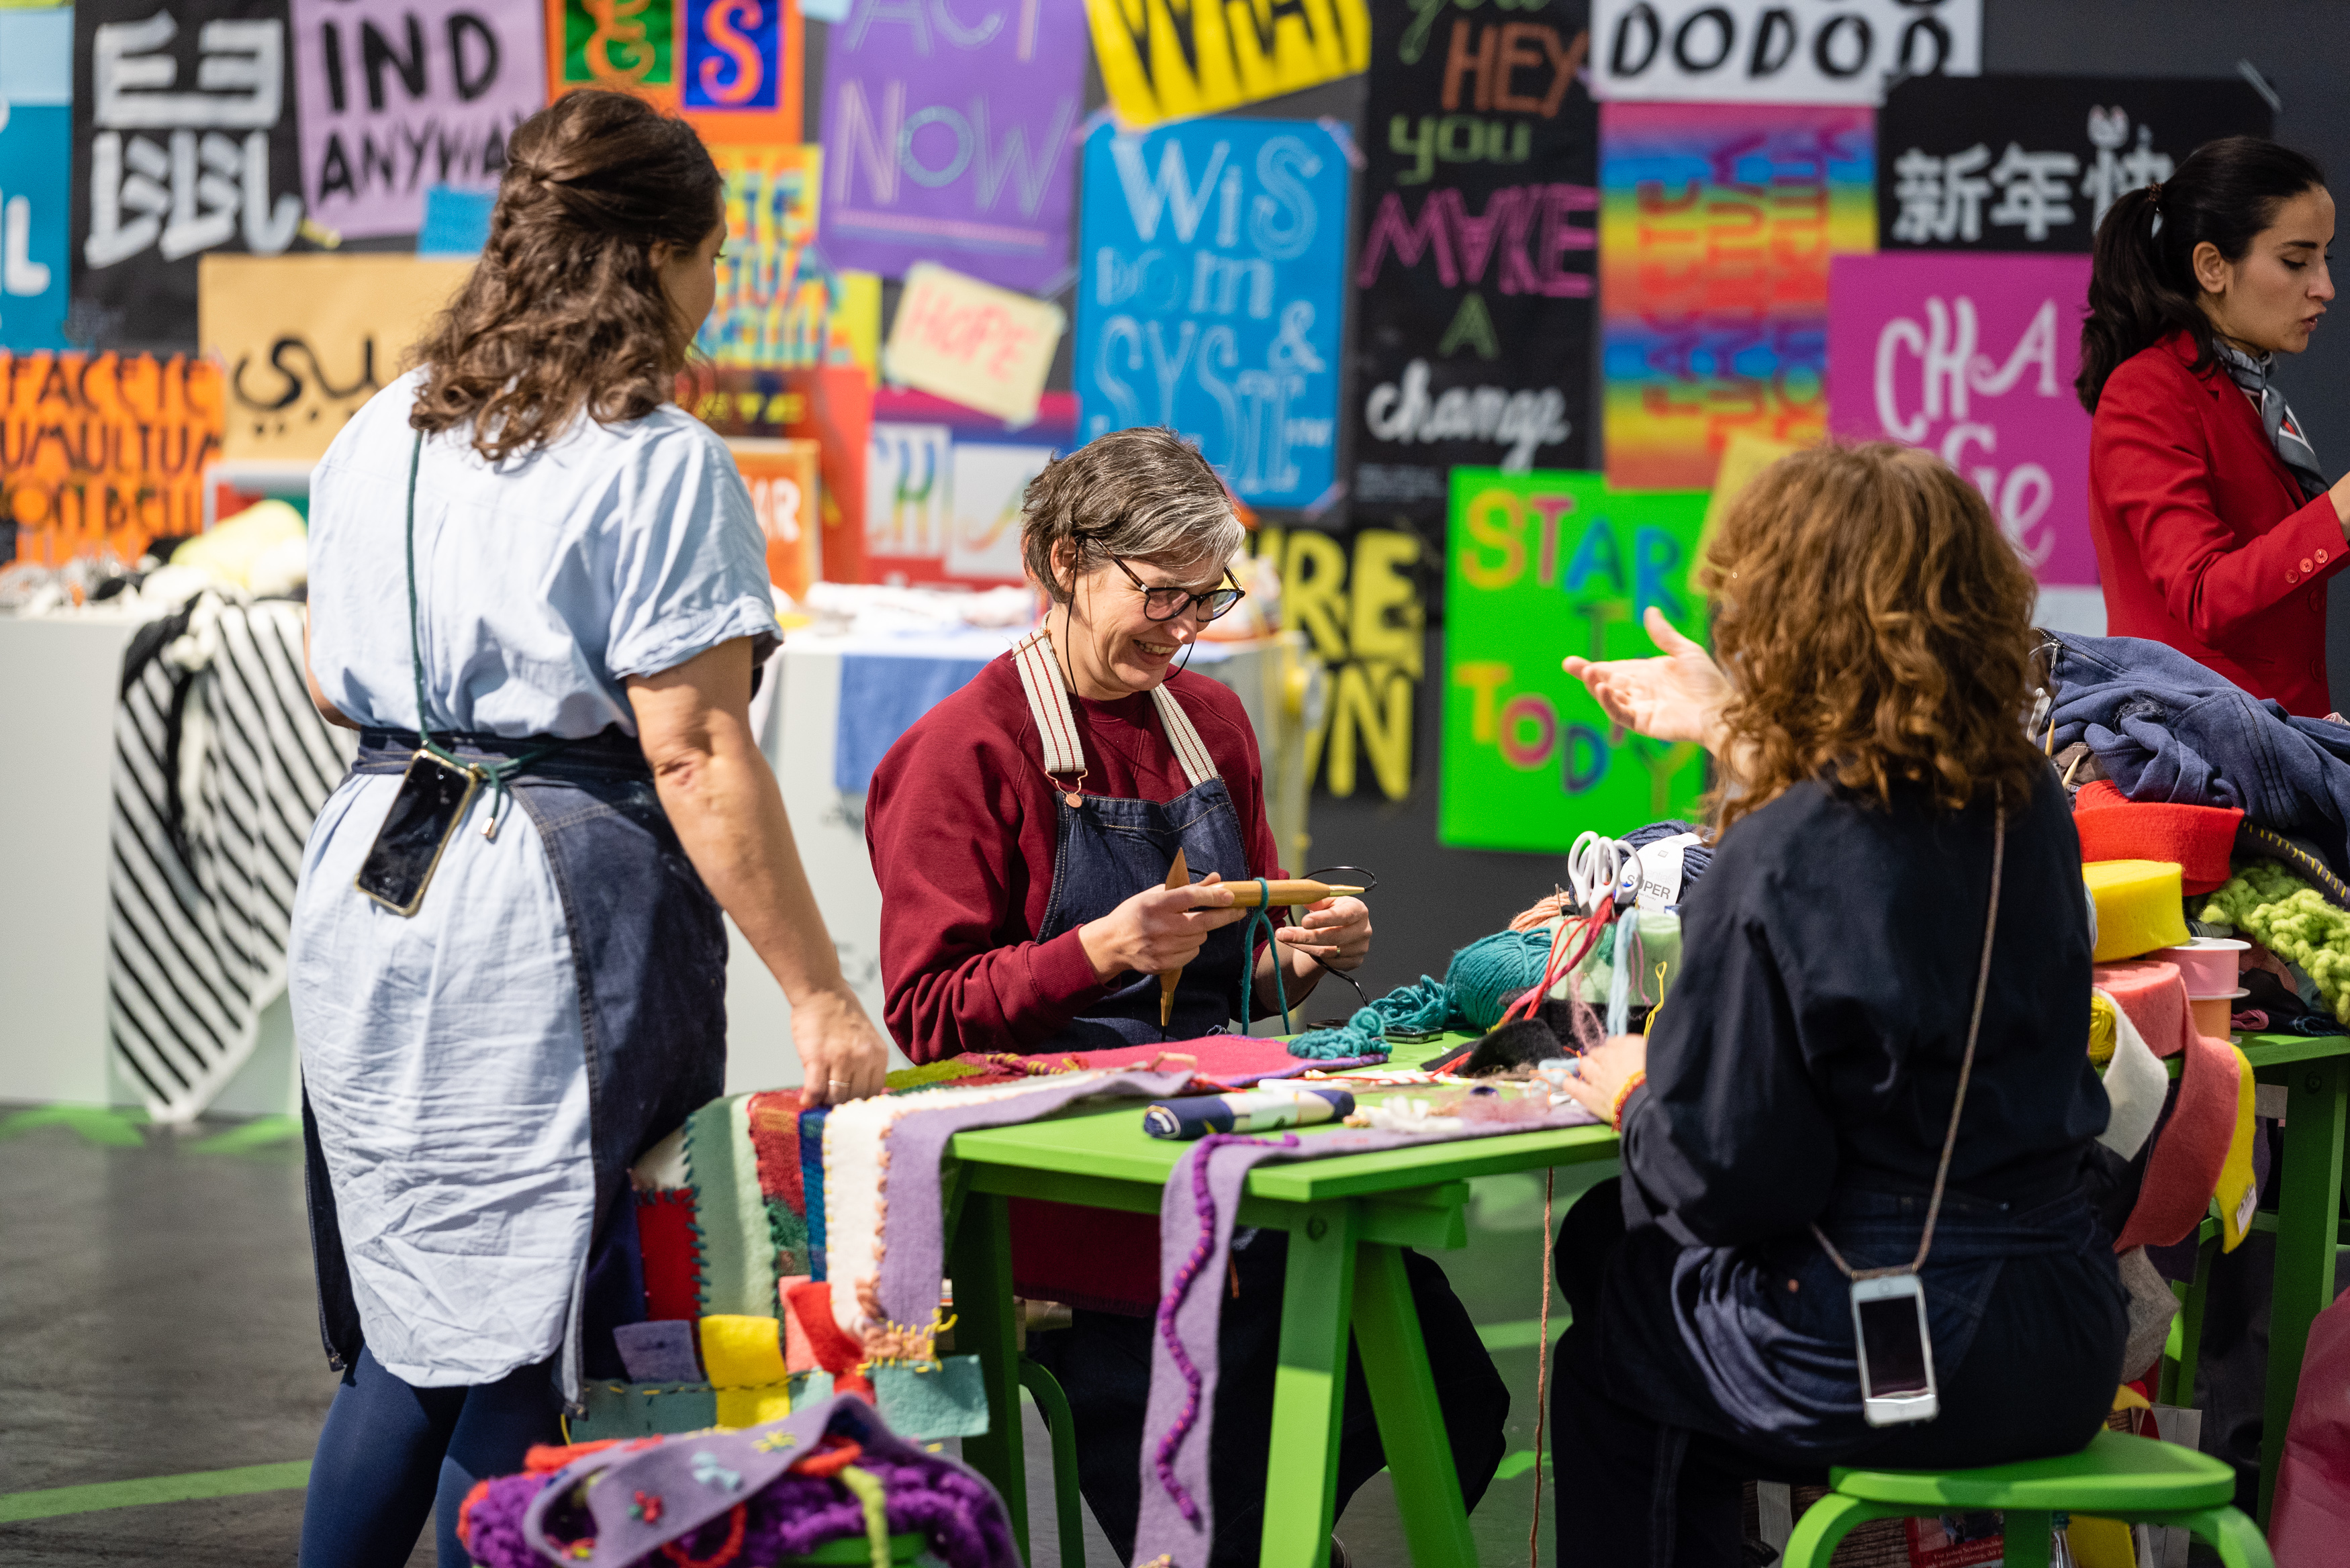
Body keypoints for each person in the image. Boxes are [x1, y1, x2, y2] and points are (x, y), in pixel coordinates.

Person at [289, 91, 888, 1568]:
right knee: (532, 1330)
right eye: (710, 257)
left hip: (370, 871)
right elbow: (691, 748)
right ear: (659, 256)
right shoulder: (654, 457)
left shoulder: (381, 427)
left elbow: (323, 676)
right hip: (538, 904)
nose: (713, 291)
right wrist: (819, 987)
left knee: (412, 1320)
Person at [862, 427, 1507, 1563]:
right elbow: (926, 1014)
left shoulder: (1211, 725)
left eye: (1206, 603)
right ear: (1066, 561)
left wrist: (1304, 952)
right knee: (1217, 1513)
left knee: (1457, 1405)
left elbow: (1232, 976)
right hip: (1073, 1183)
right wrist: (1097, 949)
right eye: (1161, 597)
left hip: (1219, 1139)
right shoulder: (964, 752)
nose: (1184, 632)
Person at [1550, 443, 2128, 1567]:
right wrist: (1736, 732)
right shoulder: (2030, 809)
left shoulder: (1777, 850)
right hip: (2066, 1330)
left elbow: (1736, 1179)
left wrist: (1635, 1098)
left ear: (1781, 623)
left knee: (1615, 1348)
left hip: (1905, 1340)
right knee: (1614, 1257)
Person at [2081, 135, 2350, 717]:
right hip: (2199, 769)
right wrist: (2340, 512)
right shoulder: (2147, 389)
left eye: (2327, 259)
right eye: (2296, 261)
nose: (2324, 287)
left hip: (2273, 754)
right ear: (2211, 267)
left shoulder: (2245, 393)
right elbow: (2202, 594)